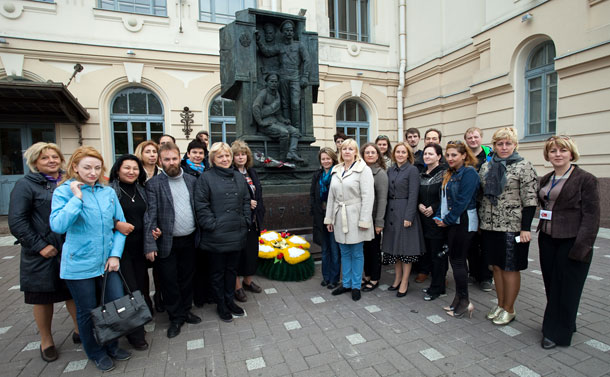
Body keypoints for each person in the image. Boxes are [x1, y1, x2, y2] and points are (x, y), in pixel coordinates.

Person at [49, 146, 131, 372]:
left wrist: (115, 255)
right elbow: (58, 225)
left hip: (107, 262)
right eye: (87, 167)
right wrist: (77, 198)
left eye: (97, 168)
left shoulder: (108, 193)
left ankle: (112, 345)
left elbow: (120, 226)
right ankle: (95, 352)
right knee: (86, 311)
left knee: (113, 305)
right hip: (79, 263)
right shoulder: (64, 192)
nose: (93, 172)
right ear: (74, 167)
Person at [8, 142, 79, 363]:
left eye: (55, 157)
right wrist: (39, 246)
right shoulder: (26, 185)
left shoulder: (69, 182)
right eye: (45, 158)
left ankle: (80, 331)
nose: (51, 161)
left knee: (73, 293)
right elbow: (17, 221)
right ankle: (46, 340)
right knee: (42, 297)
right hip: (42, 252)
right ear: (35, 162)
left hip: (69, 249)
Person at [538, 136, 600, 349]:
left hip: (572, 241)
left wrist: (583, 247)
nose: (557, 154)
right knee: (552, 285)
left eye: (562, 150)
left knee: (567, 288)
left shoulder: (585, 179)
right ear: (548, 155)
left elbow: (592, 216)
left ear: (571, 153)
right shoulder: (546, 178)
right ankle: (564, 322)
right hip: (547, 239)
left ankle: (556, 334)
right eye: (553, 151)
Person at [479, 127, 538, 326]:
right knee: (496, 266)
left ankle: (510, 308)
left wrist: (526, 228)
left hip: (513, 226)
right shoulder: (487, 167)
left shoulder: (524, 166)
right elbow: (482, 196)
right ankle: (500, 304)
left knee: (510, 267)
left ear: (514, 145)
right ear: (494, 146)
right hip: (489, 225)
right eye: (499, 144)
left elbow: (530, 200)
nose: (504, 147)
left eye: (508, 143)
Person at [144, 142, 201, 339]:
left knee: (187, 279)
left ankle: (186, 310)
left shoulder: (192, 180)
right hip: (167, 242)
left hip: (190, 240)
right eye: (166, 159)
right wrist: (150, 243)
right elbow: (150, 216)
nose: (171, 162)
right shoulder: (153, 184)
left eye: (174, 158)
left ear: (180, 158)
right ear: (160, 161)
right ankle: (175, 317)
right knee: (169, 281)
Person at [194, 142, 251, 322]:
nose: (225, 159)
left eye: (227, 155)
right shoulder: (205, 178)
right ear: (213, 159)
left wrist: (246, 222)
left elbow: (245, 201)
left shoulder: (238, 176)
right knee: (217, 272)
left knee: (231, 270)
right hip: (216, 236)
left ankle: (229, 300)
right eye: (220, 156)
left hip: (236, 232)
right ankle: (221, 304)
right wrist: (212, 225)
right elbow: (201, 205)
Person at [108, 155, 151, 351]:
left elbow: (148, 215)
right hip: (120, 249)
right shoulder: (110, 191)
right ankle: (136, 334)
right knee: (129, 290)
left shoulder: (142, 189)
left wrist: (153, 231)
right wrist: (116, 224)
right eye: (127, 168)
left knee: (141, 285)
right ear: (118, 170)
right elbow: (101, 218)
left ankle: (139, 322)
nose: (131, 171)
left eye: (135, 168)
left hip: (139, 247)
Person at [324, 139, 374, 301]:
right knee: (344, 252)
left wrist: (364, 220)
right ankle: (345, 283)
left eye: (350, 149)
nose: (346, 151)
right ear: (340, 151)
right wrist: (329, 219)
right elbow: (331, 197)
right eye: (344, 148)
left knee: (357, 252)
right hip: (340, 216)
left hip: (356, 216)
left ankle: (355, 285)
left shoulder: (363, 169)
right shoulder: (336, 170)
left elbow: (368, 197)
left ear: (355, 152)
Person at [433, 141, 479, 318]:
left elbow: (462, 201)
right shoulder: (449, 173)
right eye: (448, 155)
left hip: (464, 221)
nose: (450, 158)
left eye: (454, 155)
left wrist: (447, 220)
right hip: (452, 222)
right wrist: (439, 216)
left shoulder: (469, 173)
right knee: (455, 260)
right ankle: (459, 299)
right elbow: (444, 199)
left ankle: (465, 301)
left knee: (458, 261)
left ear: (464, 155)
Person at [382, 142, 424, 297]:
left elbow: (414, 194)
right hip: (391, 213)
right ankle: (397, 278)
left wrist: (409, 216)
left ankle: (405, 281)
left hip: (405, 211)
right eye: (398, 152)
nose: (400, 154)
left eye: (403, 152)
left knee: (406, 249)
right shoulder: (390, 170)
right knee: (395, 249)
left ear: (408, 154)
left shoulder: (412, 170)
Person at [256, 19, 311, 131]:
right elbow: (267, 52)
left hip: (295, 78)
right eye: (286, 30)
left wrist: (305, 76)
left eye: (291, 30)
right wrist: (259, 41)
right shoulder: (280, 46)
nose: (289, 32)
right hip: (283, 78)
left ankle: (296, 129)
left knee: (295, 103)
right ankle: (288, 127)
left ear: (293, 32)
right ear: (282, 32)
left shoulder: (299, 45)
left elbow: (307, 60)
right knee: (285, 104)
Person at [232, 140, 265, 303]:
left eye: (243, 154)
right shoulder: (230, 173)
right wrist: (245, 203)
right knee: (238, 254)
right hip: (238, 221)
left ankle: (248, 281)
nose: (240, 157)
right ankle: (237, 287)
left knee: (251, 253)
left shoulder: (252, 172)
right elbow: (229, 197)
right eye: (237, 154)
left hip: (253, 220)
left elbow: (258, 193)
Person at [133, 140, 164, 313]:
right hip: (139, 226)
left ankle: (159, 296)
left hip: (159, 227)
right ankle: (145, 301)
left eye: (154, 151)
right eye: (148, 151)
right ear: (141, 154)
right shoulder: (135, 174)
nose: (152, 154)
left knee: (159, 268)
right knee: (141, 271)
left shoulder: (162, 173)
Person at [463, 127, 494, 292]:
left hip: (486, 205)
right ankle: (473, 273)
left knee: (485, 242)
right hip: (469, 205)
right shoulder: (465, 156)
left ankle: (486, 277)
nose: (473, 140)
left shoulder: (490, 156)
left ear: (481, 138)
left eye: (475, 137)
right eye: (470, 137)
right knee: (471, 241)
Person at [418, 143, 448, 301]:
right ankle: (436, 285)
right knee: (429, 254)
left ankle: (437, 288)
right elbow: (418, 194)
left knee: (438, 256)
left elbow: (446, 197)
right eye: (425, 154)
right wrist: (419, 204)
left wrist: (433, 207)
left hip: (438, 221)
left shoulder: (444, 174)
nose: (427, 156)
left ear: (439, 156)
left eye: (430, 154)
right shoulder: (422, 173)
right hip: (423, 220)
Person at [252, 73, 303, 162]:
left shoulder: (277, 94)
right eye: (272, 81)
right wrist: (260, 122)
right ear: (267, 83)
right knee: (284, 133)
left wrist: (284, 120)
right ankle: (282, 158)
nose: (274, 83)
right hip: (266, 124)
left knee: (295, 131)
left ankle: (291, 152)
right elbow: (255, 107)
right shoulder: (263, 93)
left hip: (275, 122)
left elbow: (278, 113)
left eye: (276, 82)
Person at [310, 147, 341, 290]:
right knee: (324, 249)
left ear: (333, 159)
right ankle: (326, 276)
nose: (326, 161)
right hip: (320, 216)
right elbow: (312, 195)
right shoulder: (317, 175)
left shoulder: (338, 173)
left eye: (328, 158)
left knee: (335, 249)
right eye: (323, 159)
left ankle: (334, 278)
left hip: (334, 216)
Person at [360, 143, 388, 292]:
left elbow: (383, 199)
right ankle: (368, 275)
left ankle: (375, 278)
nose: (370, 155)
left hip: (374, 218)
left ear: (378, 155)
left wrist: (379, 222)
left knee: (374, 249)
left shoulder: (380, 173)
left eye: (373, 152)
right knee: (364, 249)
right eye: (367, 152)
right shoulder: (359, 171)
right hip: (362, 218)